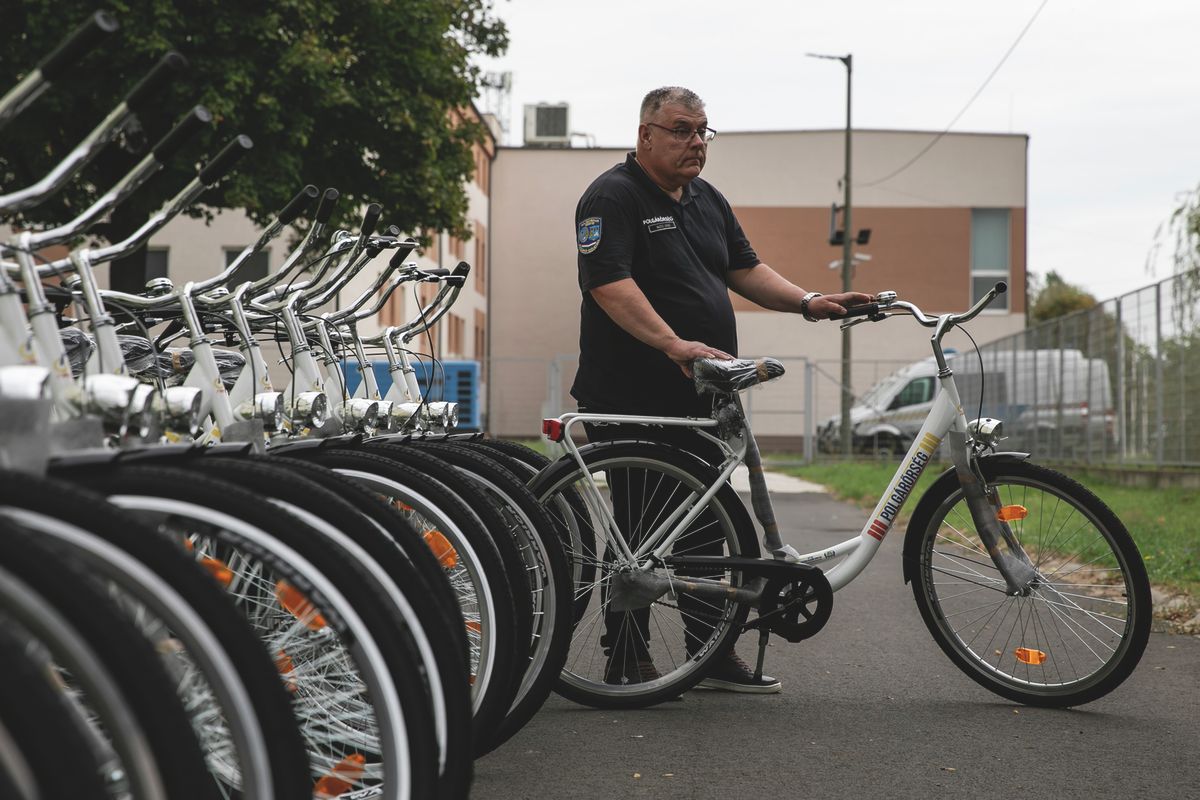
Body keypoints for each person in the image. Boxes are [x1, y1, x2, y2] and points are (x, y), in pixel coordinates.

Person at [572, 86, 872, 694]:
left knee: (709, 523)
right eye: (681, 129)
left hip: (700, 396)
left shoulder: (706, 199)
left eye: (703, 131)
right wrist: (671, 343)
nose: (695, 143)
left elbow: (744, 269)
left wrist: (811, 303)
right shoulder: (613, 195)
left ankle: (710, 652)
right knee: (641, 528)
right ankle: (627, 657)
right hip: (632, 391)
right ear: (646, 134)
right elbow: (609, 283)